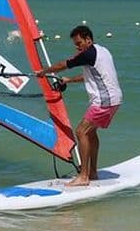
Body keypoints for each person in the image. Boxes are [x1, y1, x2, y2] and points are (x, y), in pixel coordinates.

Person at [35, 25, 123, 186]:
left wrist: (43, 71)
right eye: (75, 44)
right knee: (90, 133)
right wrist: (69, 80)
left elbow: (64, 64)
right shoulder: (102, 51)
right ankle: (93, 172)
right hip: (114, 99)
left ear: (88, 40)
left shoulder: (88, 54)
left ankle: (83, 176)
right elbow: (90, 76)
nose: (77, 47)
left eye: (79, 43)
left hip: (104, 101)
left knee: (81, 132)